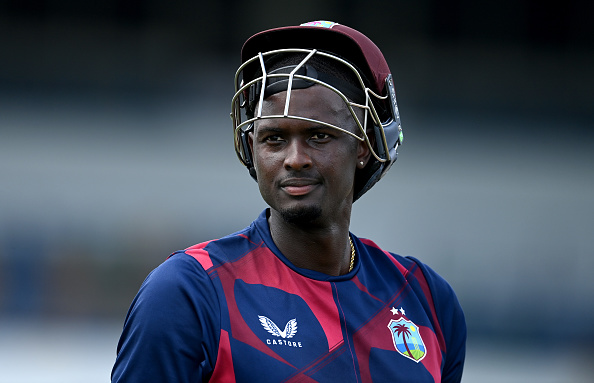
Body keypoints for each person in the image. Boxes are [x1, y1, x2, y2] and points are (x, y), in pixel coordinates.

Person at [111, 20, 466, 383]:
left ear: (362, 145)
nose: (294, 158)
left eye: (319, 135)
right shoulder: (189, 292)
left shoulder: (427, 299)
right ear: (252, 149)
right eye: (274, 139)